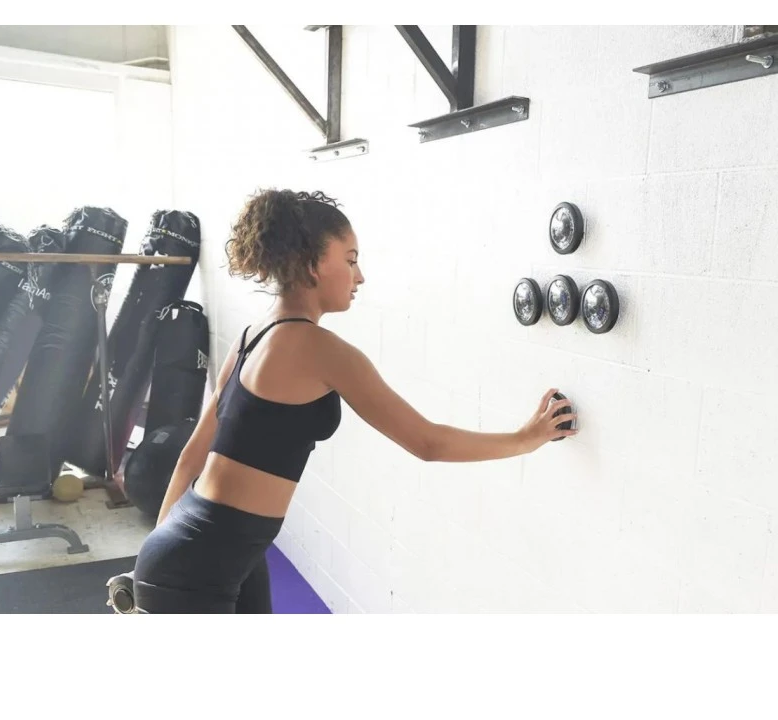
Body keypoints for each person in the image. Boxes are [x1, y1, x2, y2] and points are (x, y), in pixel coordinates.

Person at [129, 188, 578, 613]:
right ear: (310, 263)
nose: (359, 276)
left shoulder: (252, 335)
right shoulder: (319, 349)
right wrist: (526, 438)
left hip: (202, 550)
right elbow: (428, 442)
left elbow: (190, 458)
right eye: (350, 259)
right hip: (196, 568)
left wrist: (147, 559)